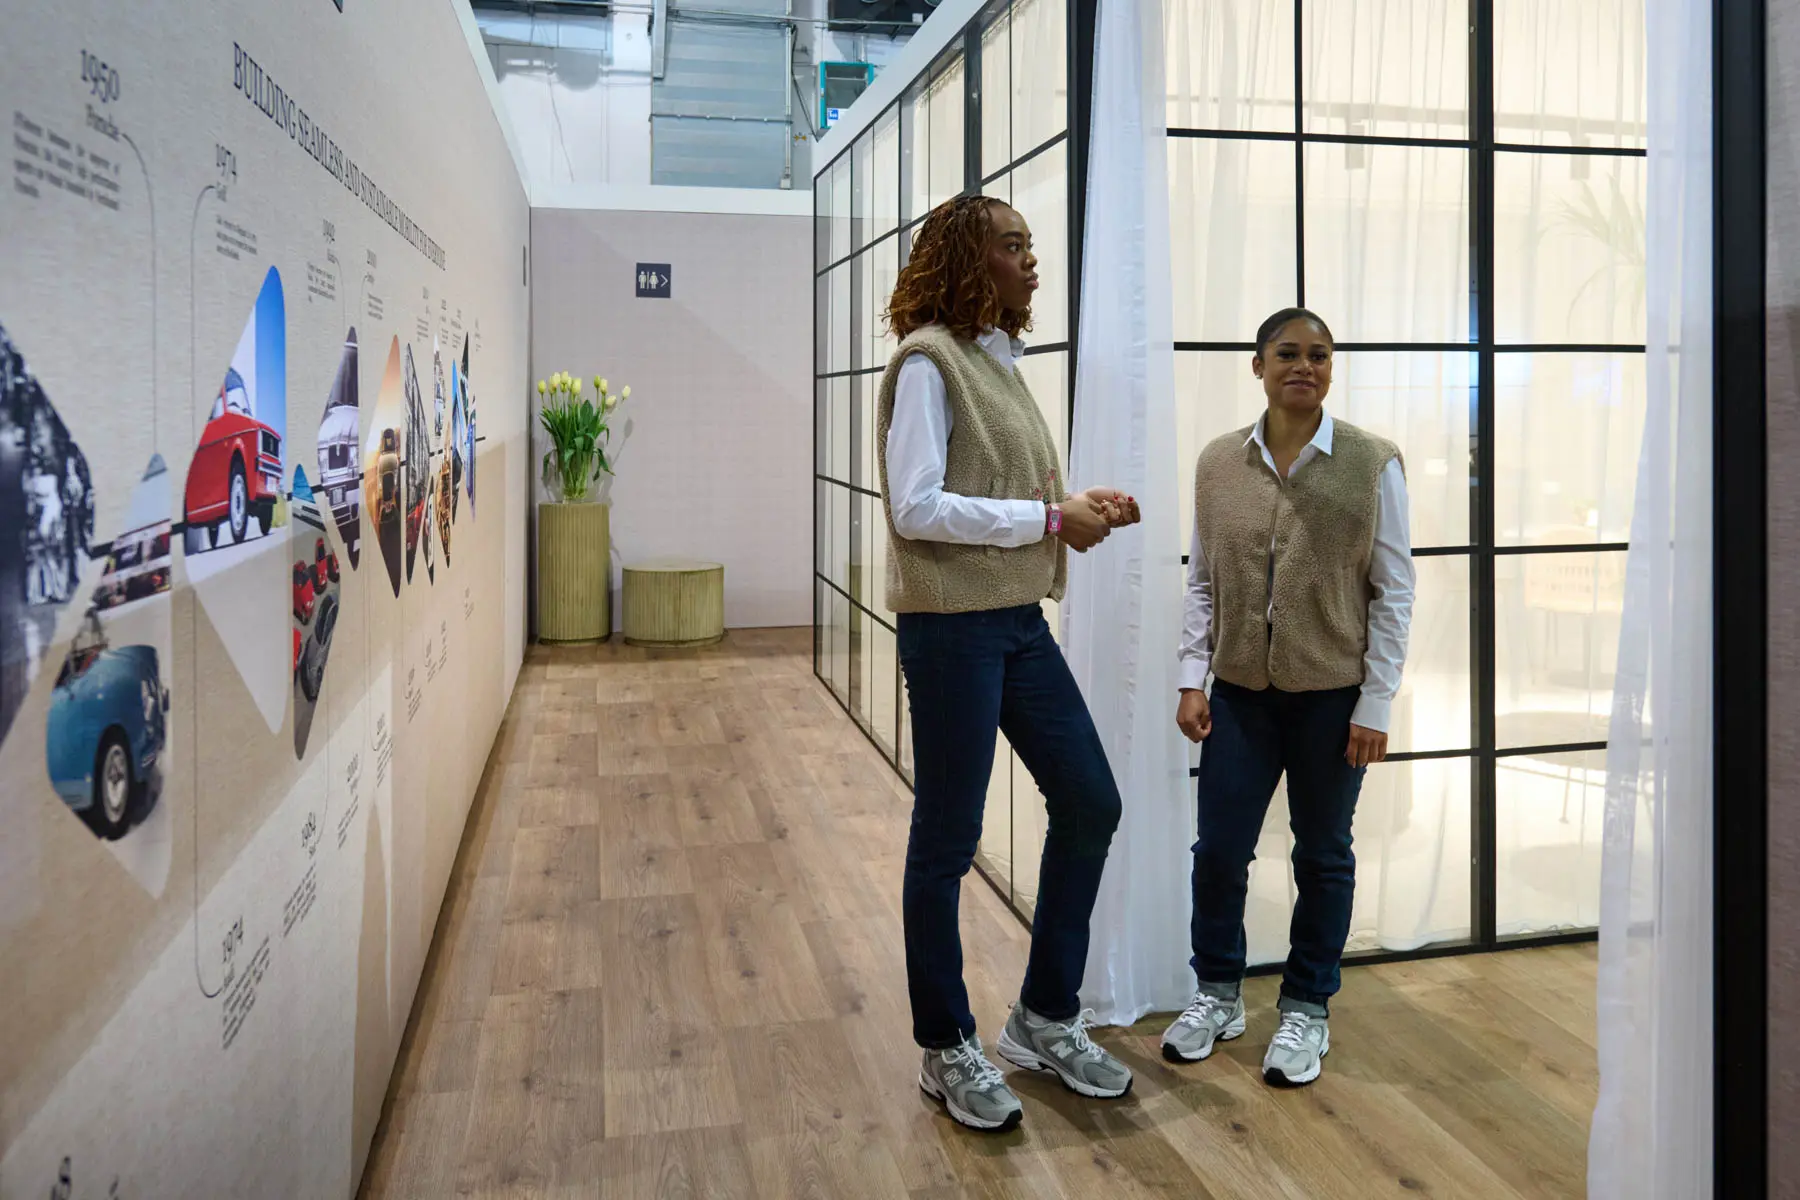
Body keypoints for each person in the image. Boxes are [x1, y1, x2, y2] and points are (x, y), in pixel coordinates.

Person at [879, 194, 1141, 1132]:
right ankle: (945, 1044)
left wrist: (1072, 504)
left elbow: (992, 490)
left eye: (1031, 244)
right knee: (948, 838)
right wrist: (1049, 518)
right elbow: (915, 506)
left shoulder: (996, 361)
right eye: (1013, 245)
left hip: (1016, 622)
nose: (1032, 260)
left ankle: (1042, 1017)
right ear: (968, 259)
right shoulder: (927, 361)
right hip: (951, 629)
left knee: (1091, 802)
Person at [1161, 307, 1414, 1087]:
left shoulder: (1372, 462)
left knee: (1323, 854)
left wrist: (1375, 704)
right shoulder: (1218, 463)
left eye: (1319, 355)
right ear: (1258, 365)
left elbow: (1395, 589)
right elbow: (1202, 581)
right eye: (1288, 353)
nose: (1305, 366)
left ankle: (1307, 1006)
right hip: (1240, 693)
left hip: (1332, 698)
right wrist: (1190, 676)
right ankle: (1217, 993)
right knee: (1219, 852)